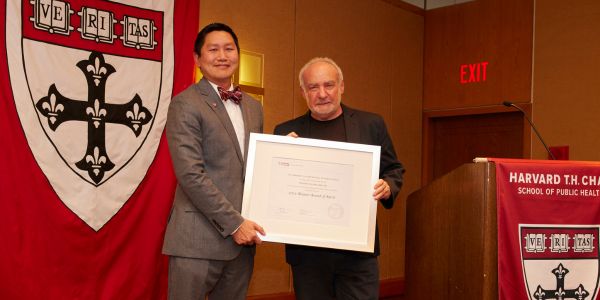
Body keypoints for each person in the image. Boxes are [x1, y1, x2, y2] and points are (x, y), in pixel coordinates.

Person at [273, 57, 405, 300]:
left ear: (341, 86)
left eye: (329, 85)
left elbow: (394, 169)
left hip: (357, 254)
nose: (322, 94)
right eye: (313, 87)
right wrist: (282, 154)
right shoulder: (286, 133)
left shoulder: (371, 124)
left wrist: (388, 186)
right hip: (308, 256)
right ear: (303, 92)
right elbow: (274, 187)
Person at [162, 23, 265, 300]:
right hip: (197, 240)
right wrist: (235, 224)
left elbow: (257, 166)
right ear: (197, 59)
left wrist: (287, 156)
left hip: (243, 244)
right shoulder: (185, 104)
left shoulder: (254, 107)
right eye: (213, 49)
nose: (222, 56)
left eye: (229, 49)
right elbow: (191, 174)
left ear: (238, 55)